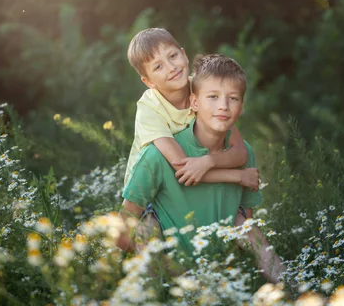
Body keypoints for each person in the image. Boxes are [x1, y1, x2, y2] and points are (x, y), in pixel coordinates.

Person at [118, 54, 284, 283]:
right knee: (146, 228)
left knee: (250, 231)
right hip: (168, 277)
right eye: (213, 97)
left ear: (242, 106)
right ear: (194, 102)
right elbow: (122, 233)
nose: (223, 106)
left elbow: (247, 224)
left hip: (221, 274)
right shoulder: (157, 154)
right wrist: (182, 277)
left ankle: (296, 292)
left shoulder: (243, 154)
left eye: (233, 98)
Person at [123, 28, 259, 193]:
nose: (171, 67)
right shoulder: (149, 109)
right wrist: (238, 176)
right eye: (158, 66)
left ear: (184, 55)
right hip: (150, 191)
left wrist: (208, 161)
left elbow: (240, 151)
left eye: (173, 56)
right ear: (148, 81)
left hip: (192, 178)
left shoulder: (205, 89)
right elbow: (182, 167)